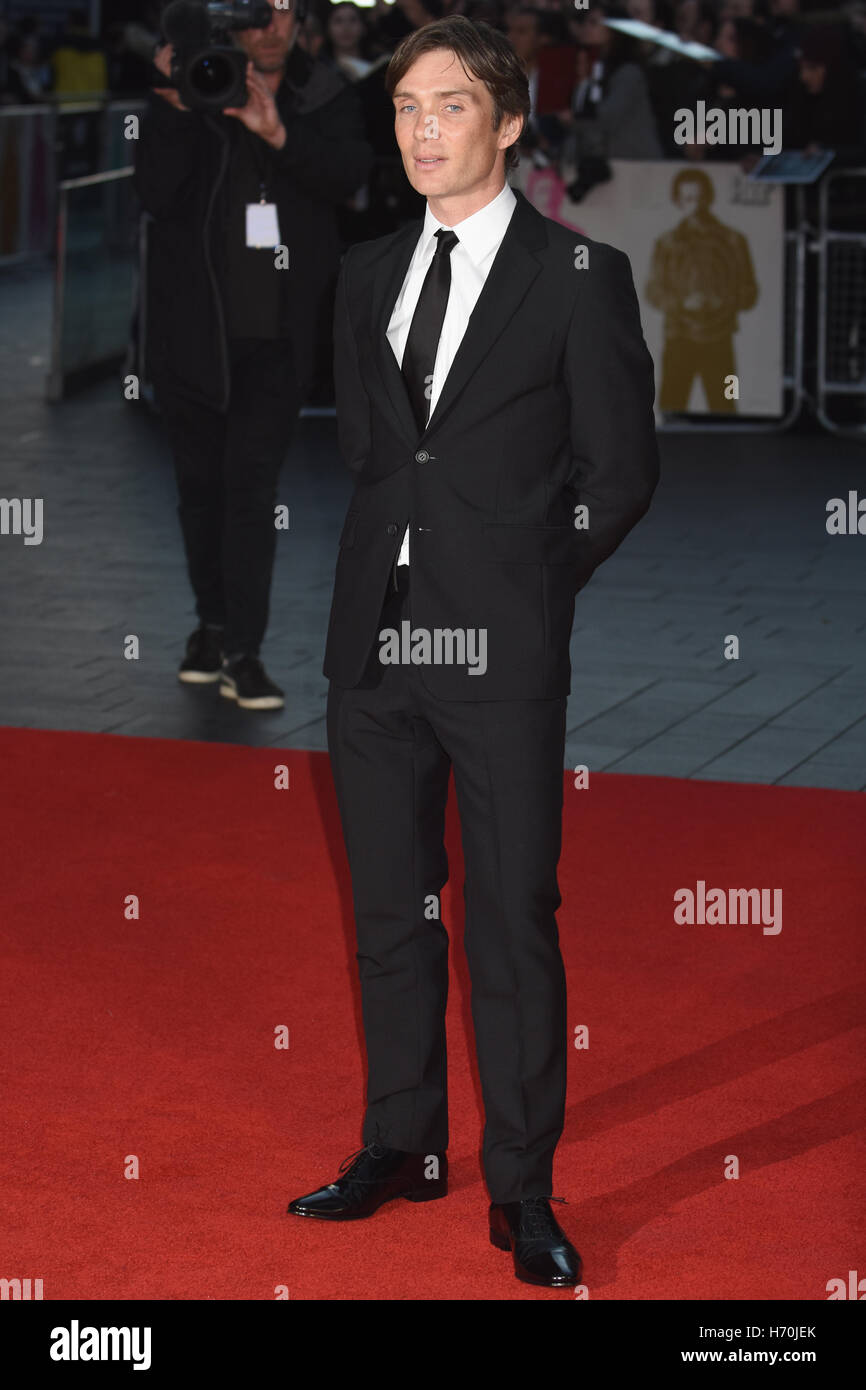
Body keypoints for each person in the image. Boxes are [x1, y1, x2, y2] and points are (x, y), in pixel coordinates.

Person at [287, 15, 659, 1288]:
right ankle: (401, 1143)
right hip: (372, 640)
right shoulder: (366, 271)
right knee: (389, 909)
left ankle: (521, 1188)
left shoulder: (577, 276)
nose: (421, 130)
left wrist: (527, 584)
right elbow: (370, 448)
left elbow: (618, 473)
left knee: (508, 918)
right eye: (405, 108)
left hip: (498, 648)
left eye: (448, 106)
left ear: (505, 123)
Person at [133, 0, 372, 710]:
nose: (270, 28)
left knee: (251, 489)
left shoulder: (322, 91)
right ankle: (210, 627)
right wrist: (178, 103)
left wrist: (278, 133)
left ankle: (244, 651)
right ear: (231, 22)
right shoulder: (196, 84)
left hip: (277, 337)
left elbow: (348, 175)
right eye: (257, 13)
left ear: (301, 21)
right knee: (199, 490)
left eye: (284, 12)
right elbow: (154, 193)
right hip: (189, 332)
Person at [645, 167, 758, 413]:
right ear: (677, 201)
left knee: (725, 407)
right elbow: (653, 291)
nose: (695, 206)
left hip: (720, 340)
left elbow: (750, 293)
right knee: (671, 408)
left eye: (699, 198)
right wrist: (682, 303)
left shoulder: (734, 240)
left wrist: (722, 300)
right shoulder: (666, 243)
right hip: (677, 337)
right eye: (688, 199)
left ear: (710, 197)